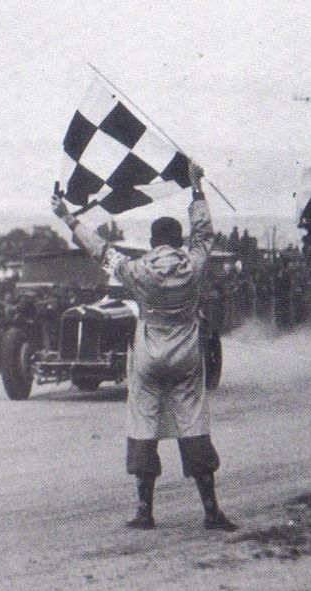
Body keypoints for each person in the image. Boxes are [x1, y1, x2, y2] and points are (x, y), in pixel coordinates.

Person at [51, 162, 237, 532]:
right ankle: (211, 511)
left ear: (153, 242)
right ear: (178, 239)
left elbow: (101, 251)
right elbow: (205, 234)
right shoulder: (193, 264)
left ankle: (144, 511)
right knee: (194, 424)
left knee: (142, 425)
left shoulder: (137, 270)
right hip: (186, 354)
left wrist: (68, 218)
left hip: (149, 355)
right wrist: (197, 188)